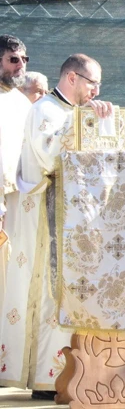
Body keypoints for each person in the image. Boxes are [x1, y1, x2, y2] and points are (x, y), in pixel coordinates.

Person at [0, 54, 113, 400]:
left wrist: (107, 126)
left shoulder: (71, 112)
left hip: (75, 219)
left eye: (98, 85)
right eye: (92, 83)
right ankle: (43, 377)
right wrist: (82, 120)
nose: (96, 91)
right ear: (72, 78)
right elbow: (50, 158)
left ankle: (72, 372)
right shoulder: (44, 110)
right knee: (45, 293)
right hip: (42, 218)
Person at [0, 35, 31, 333]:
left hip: (13, 202)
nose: (21, 65)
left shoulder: (22, 103)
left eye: (24, 59)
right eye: (13, 59)